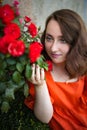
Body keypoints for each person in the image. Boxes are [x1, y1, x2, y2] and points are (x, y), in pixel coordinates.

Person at [24, 9, 87, 130]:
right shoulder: (40, 70)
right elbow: (45, 118)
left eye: (62, 40)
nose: (53, 48)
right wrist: (40, 85)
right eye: (49, 38)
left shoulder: (84, 67)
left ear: (76, 42)